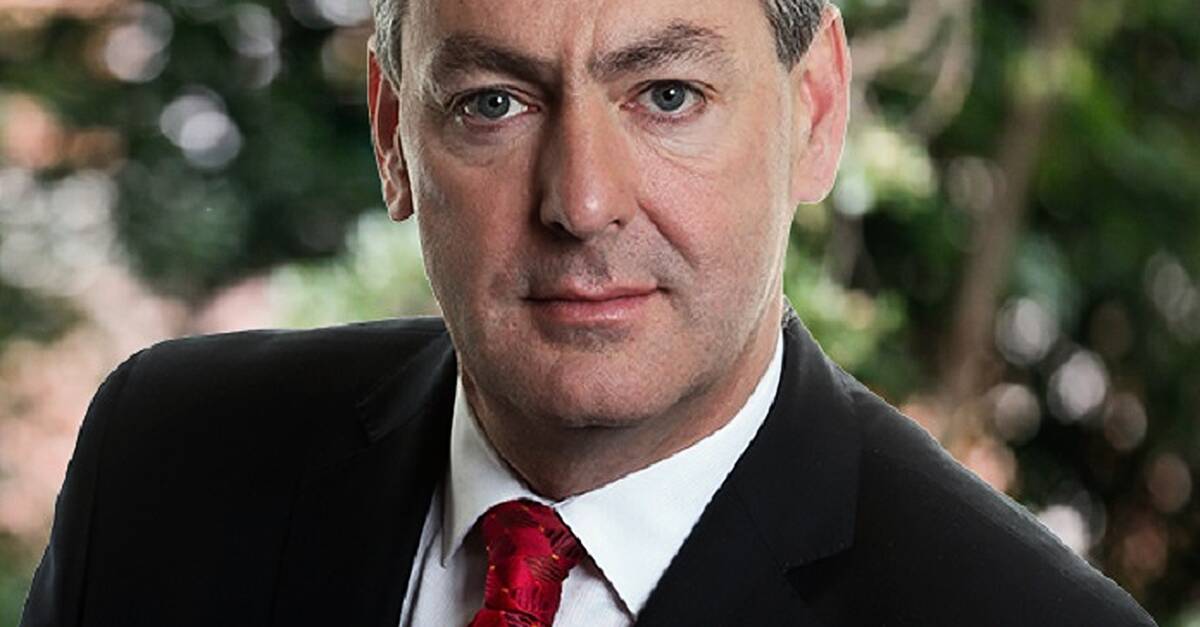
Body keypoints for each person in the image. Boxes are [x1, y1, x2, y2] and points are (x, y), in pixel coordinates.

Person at [22, 0, 1156, 625]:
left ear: (814, 113)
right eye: (494, 103)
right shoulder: (163, 464)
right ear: (392, 134)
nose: (582, 201)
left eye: (667, 95)